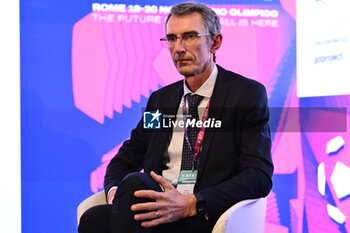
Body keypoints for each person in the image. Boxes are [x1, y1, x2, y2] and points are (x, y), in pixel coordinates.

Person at [78, 2, 273, 233]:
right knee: (96, 215)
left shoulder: (245, 95)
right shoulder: (160, 101)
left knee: (132, 188)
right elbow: (125, 159)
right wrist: (114, 193)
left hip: (202, 213)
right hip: (157, 209)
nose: (178, 48)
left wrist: (193, 202)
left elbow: (258, 176)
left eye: (190, 36)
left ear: (215, 42)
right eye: (171, 38)